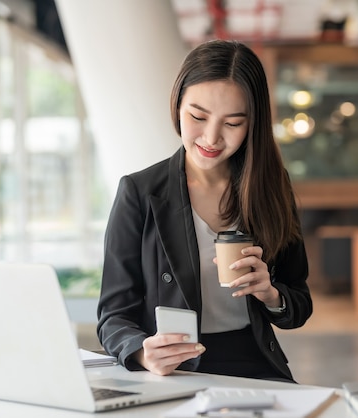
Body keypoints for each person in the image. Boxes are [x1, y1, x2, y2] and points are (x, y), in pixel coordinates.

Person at [97, 39, 312, 383]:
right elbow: (113, 316)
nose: (211, 138)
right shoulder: (140, 193)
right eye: (197, 116)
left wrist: (270, 293)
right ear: (177, 104)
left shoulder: (270, 187)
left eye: (233, 123)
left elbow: (299, 303)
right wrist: (142, 350)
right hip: (177, 369)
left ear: (252, 124)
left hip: (256, 363)